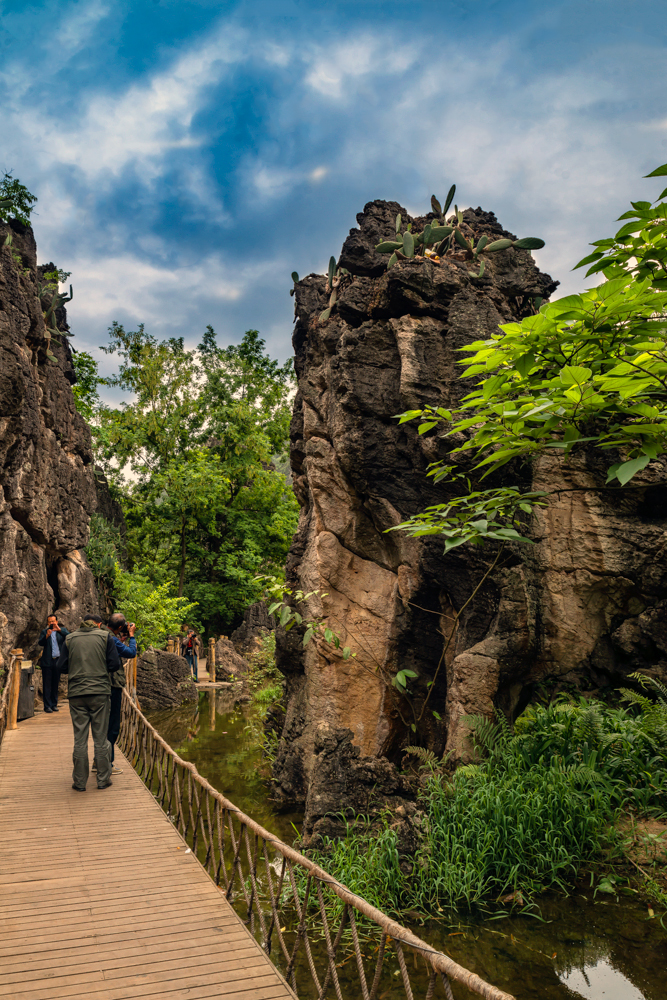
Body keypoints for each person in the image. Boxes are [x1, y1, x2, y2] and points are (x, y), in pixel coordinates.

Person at [57, 612, 121, 791]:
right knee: (101, 739)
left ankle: (79, 783)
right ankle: (103, 780)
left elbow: (61, 666)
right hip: (100, 692)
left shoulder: (70, 639)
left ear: (82, 623)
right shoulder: (105, 637)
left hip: (77, 694)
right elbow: (115, 664)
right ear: (98, 624)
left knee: (80, 739)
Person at [99, 612, 137, 776]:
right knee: (112, 725)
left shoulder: (102, 635)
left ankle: (99, 761)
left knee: (101, 724)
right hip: (112, 685)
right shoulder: (111, 639)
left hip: (98, 685)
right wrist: (132, 637)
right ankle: (107, 762)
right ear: (121, 627)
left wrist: (122, 639)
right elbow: (130, 653)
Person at [37, 614, 69, 713]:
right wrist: (46, 636)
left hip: (57, 661)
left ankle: (54, 704)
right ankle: (47, 706)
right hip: (47, 661)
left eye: (53, 621)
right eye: (50, 621)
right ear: (47, 623)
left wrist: (59, 629)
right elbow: (40, 643)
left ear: (57, 621)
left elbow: (69, 636)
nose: (52, 623)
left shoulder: (61, 631)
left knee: (55, 683)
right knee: (47, 684)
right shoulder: (44, 632)